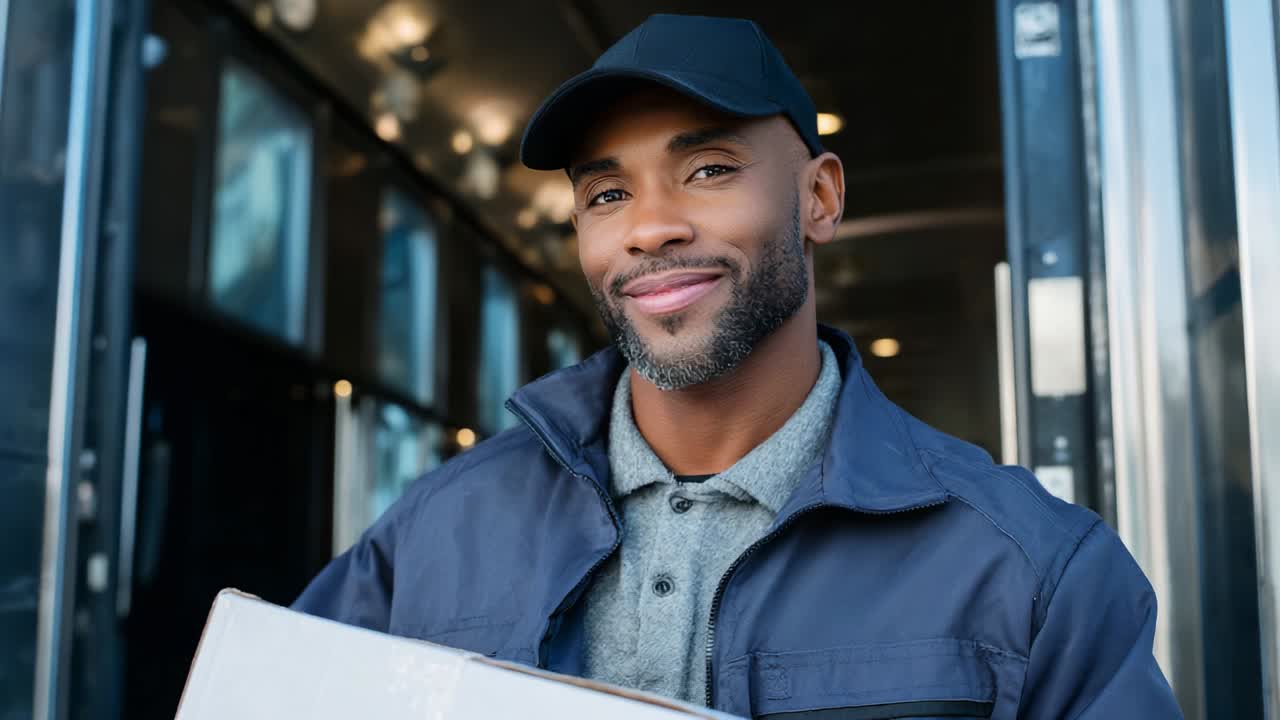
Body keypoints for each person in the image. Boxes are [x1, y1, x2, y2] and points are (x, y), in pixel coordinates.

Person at [294, 14, 1183, 718]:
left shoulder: (1035, 569)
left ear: (819, 198)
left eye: (709, 169)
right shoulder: (431, 536)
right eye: (607, 194)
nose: (649, 227)